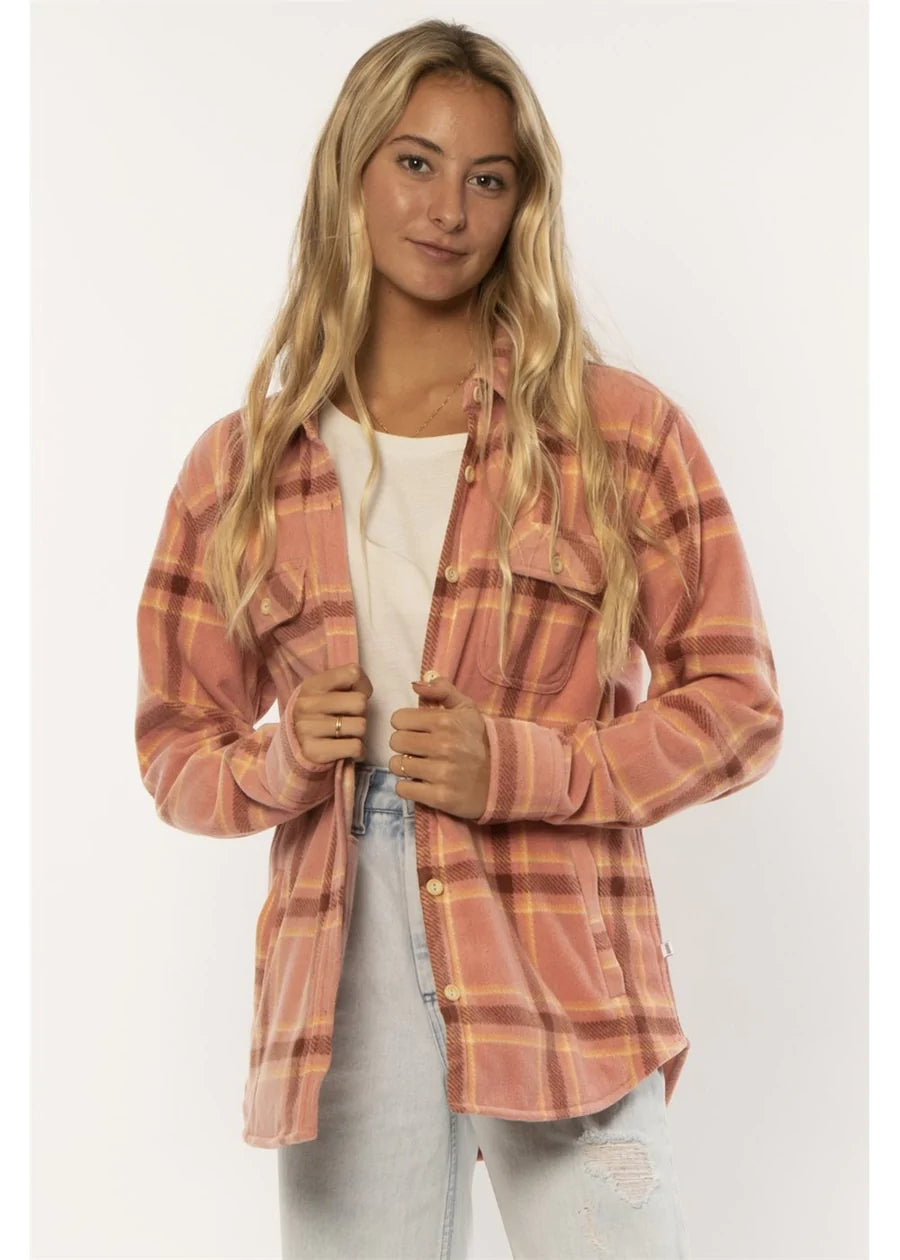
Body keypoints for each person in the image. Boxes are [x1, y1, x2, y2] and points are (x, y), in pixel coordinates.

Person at [134, 18, 784, 1260]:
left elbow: (739, 705)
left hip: (554, 938)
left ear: (521, 204)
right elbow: (174, 746)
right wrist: (280, 761)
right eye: (416, 163)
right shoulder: (241, 468)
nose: (448, 210)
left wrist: (530, 766)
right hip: (342, 953)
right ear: (353, 171)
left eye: (489, 179)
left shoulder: (618, 433)